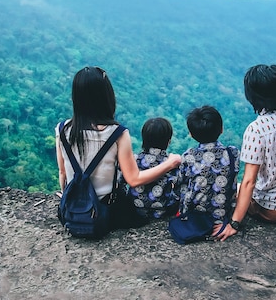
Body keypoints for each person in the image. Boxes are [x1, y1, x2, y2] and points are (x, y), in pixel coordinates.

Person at [55, 66, 182, 229]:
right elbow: (133, 179)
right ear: (106, 97)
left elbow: (63, 172)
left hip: (70, 213)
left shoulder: (62, 129)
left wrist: (69, 199)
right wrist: (170, 163)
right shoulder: (118, 133)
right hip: (104, 212)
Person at [214, 55, 276, 241]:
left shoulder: (257, 130)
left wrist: (234, 223)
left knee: (226, 188)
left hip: (271, 211)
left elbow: (249, 182)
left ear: (251, 96)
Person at [175, 105, 240, 227]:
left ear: (191, 134)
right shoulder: (233, 153)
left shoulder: (188, 156)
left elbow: (179, 185)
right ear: (221, 129)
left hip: (193, 219)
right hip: (224, 217)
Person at [124, 117, 181, 219]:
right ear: (169, 141)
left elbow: (121, 182)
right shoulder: (171, 162)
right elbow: (179, 189)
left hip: (135, 210)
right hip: (162, 211)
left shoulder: (134, 160)